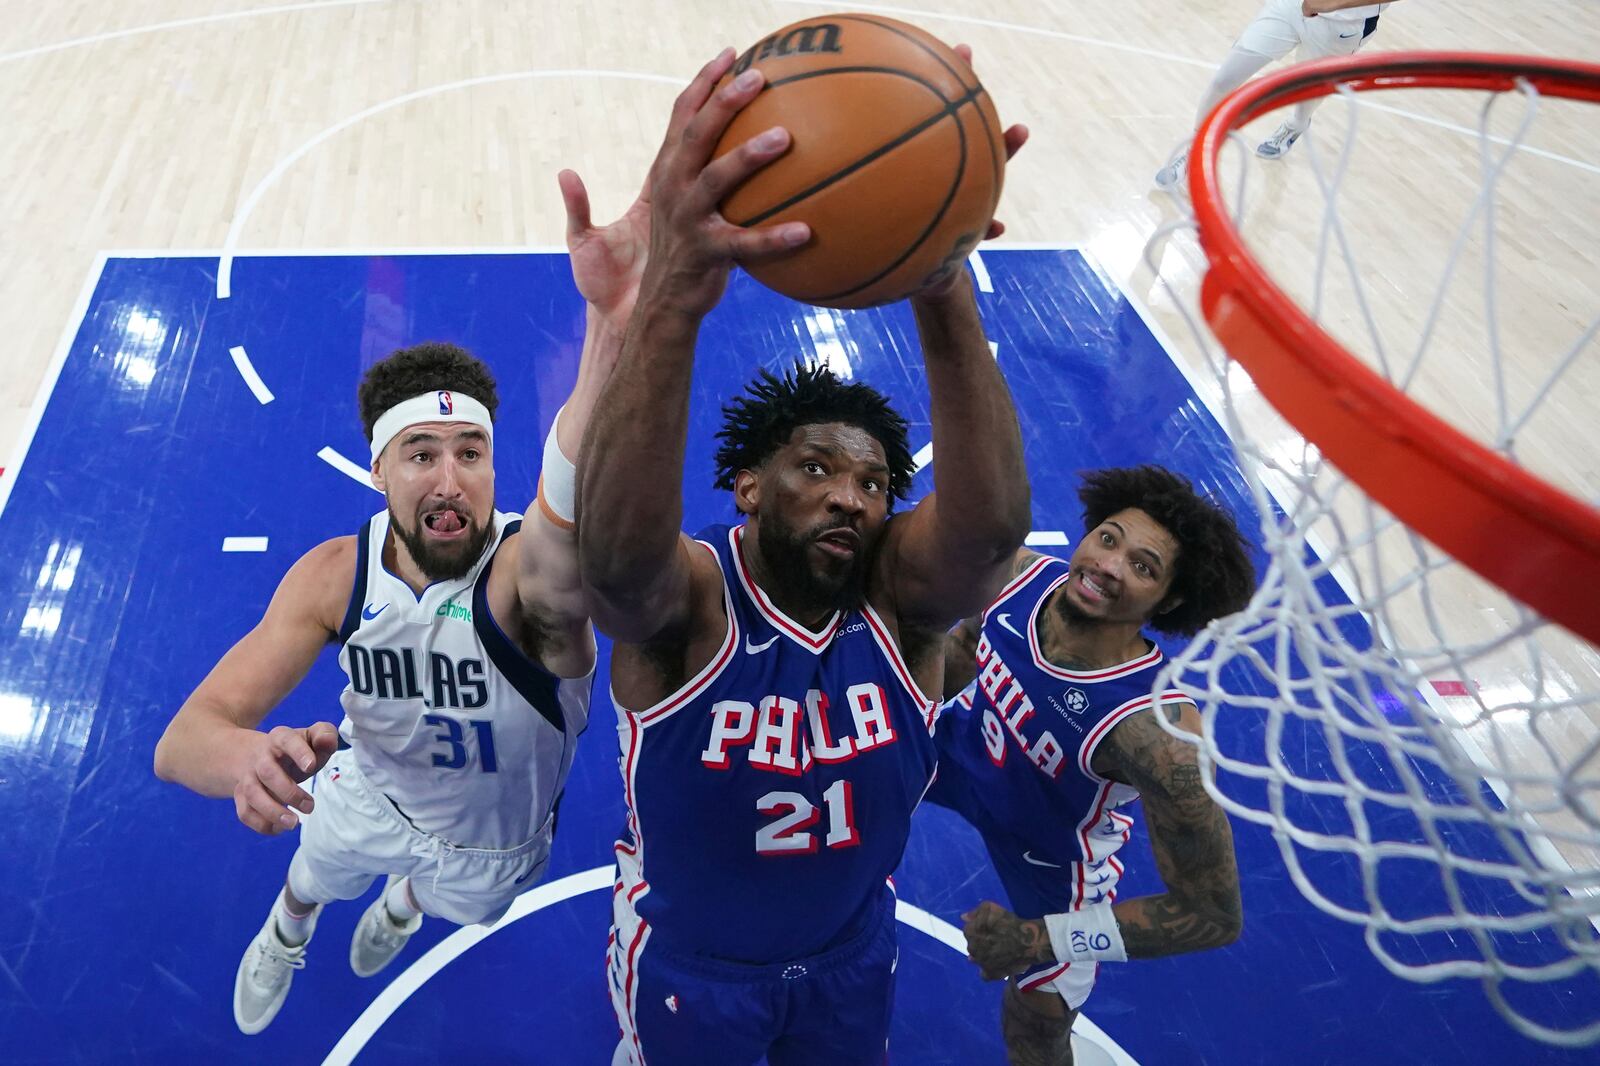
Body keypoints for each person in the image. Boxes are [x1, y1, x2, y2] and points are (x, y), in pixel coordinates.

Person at [577, 47, 1031, 1066]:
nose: (847, 493)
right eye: (816, 467)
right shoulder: (694, 601)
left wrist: (942, 280)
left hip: (849, 957)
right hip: (693, 969)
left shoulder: (902, 609)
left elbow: (987, 534)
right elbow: (612, 565)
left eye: (873, 483)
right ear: (745, 487)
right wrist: (675, 297)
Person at [152, 166, 648, 1035]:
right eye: (421, 453)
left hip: (494, 841)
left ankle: (405, 905)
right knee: (313, 872)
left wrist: (612, 326)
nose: (451, 480)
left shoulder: (530, 580)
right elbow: (181, 740)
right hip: (367, 796)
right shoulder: (335, 576)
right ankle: (286, 931)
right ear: (378, 469)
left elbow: (575, 475)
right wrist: (245, 762)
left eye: (471, 453)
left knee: (451, 904)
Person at [929, 465, 1257, 1065]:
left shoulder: (1157, 736)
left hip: (1052, 857)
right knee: (836, 756)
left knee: (1035, 1026)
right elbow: (963, 646)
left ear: (1170, 599)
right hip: (956, 753)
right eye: (1108, 538)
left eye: (1143, 566)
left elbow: (1211, 916)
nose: (1108, 565)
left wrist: (1034, 937)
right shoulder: (1018, 578)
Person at [1155, 1, 1397, 190]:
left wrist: (1334, 2)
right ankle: (1195, 152)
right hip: (1288, 6)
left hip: (1343, 25)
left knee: (1308, 88)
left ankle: (1297, 124)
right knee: (1224, 80)